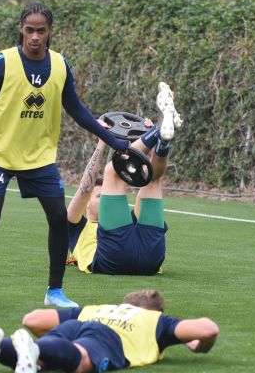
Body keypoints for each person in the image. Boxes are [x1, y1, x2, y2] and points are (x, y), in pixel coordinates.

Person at [0, 2, 129, 310]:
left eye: (41, 31)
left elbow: (78, 110)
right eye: (29, 30)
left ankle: (54, 291)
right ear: (21, 29)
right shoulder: (3, 63)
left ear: (50, 32)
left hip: (39, 158)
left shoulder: (59, 65)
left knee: (59, 218)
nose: (34, 36)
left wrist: (113, 140)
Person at [0, 289, 219, 373]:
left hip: (79, 323)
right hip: (108, 340)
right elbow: (208, 329)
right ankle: (35, 350)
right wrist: (191, 343)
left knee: (42, 355)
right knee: (81, 361)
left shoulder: (97, 308)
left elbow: (32, 320)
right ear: (155, 311)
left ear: (124, 303)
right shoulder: (156, 322)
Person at [65, 82, 183, 275]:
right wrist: (102, 141)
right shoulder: (74, 227)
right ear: (86, 206)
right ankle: (157, 131)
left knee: (150, 179)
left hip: (151, 260)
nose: (104, 197)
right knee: (113, 170)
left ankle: (162, 138)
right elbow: (85, 188)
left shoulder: (128, 221)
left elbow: (144, 169)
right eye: (99, 196)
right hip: (113, 258)